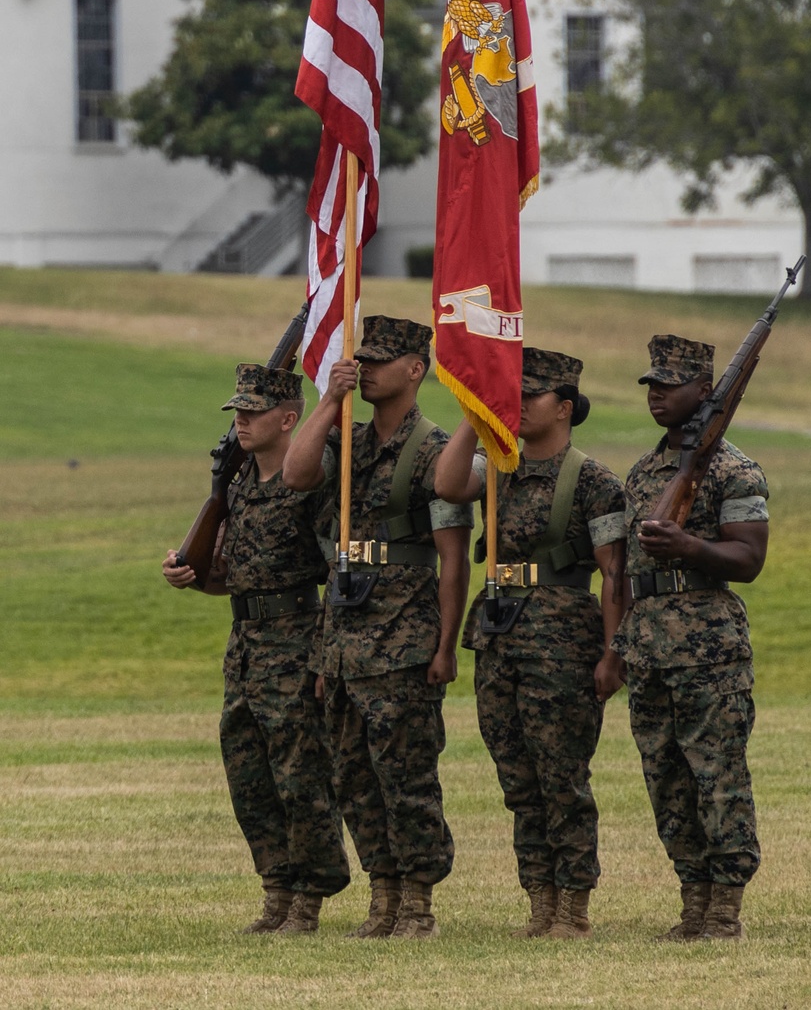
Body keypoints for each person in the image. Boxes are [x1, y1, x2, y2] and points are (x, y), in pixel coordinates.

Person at [282, 315, 472, 941]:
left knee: (406, 776)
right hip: (342, 644)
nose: (365, 368)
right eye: (361, 359)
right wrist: (329, 399)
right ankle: (382, 893)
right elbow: (296, 473)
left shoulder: (434, 450)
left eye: (381, 360)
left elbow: (451, 558)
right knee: (353, 778)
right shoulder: (348, 440)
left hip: (402, 639)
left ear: (416, 370)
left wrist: (445, 646)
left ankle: (418, 901)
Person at [435, 347, 627, 940]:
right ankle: (539, 901)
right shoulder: (499, 468)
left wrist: (613, 653)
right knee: (517, 779)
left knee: (561, 777)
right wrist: (473, 413)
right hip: (498, 635)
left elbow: (615, 574)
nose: (514, 406)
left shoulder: (593, 482)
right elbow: (444, 482)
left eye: (528, 396)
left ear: (564, 407)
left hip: (561, 637)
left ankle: (573, 906)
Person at [162, 362, 349, 936]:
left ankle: (309, 900)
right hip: (244, 647)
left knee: (301, 778)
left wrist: (323, 657)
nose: (241, 420)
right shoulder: (238, 490)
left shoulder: (310, 486)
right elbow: (232, 575)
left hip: (295, 641)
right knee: (249, 778)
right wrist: (195, 573)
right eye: (237, 411)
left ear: (288, 418)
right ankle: (276, 893)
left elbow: (336, 576)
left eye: (253, 410)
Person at [612, 333, 769, 942]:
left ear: (706, 392)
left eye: (670, 385)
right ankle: (692, 899)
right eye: (651, 384)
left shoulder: (735, 469)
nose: (656, 395)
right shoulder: (646, 471)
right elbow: (624, 567)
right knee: (666, 776)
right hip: (649, 644)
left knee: (717, 774)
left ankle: (724, 908)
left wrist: (691, 549)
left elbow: (749, 558)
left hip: (707, 646)